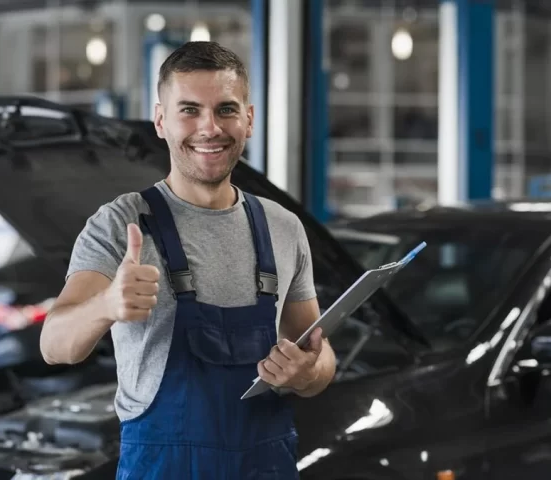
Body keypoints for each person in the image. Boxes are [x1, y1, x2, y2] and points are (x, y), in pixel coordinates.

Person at [39, 40, 336, 479]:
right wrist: (106, 305)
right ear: (161, 120)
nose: (209, 127)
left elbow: (320, 353)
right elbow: (53, 346)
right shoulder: (120, 223)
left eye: (226, 110)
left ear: (248, 119)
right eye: (189, 110)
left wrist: (306, 374)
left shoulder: (283, 226)